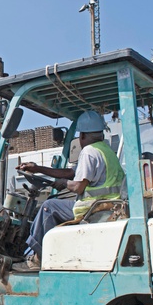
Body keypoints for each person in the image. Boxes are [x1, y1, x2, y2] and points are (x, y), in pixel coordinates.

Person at [18, 110, 125, 266]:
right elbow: (70, 172)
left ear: (82, 136)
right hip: (107, 206)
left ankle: (39, 258)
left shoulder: (89, 152)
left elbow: (79, 187)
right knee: (54, 204)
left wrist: (63, 183)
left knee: (48, 207)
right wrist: (38, 169)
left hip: (93, 209)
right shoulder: (105, 150)